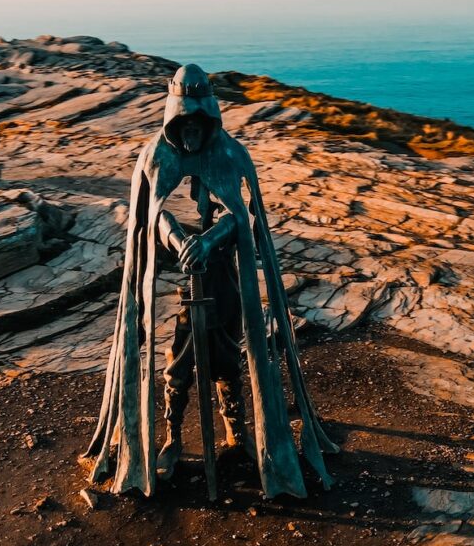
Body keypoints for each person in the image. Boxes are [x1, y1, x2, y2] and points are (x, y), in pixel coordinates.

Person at [86, 64, 338, 498]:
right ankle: (173, 436)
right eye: (182, 126)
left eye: (196, 126)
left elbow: (240, 215)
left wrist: (211, 240)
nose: (190, 136)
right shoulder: (155, 157)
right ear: (174, 122)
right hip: (189, 281)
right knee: (180, 363)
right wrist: (179, 239)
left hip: (223, 277)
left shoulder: (229, 155)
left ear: (208, 122)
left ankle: (235, 433)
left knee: (226, 354)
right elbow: (150, 213)